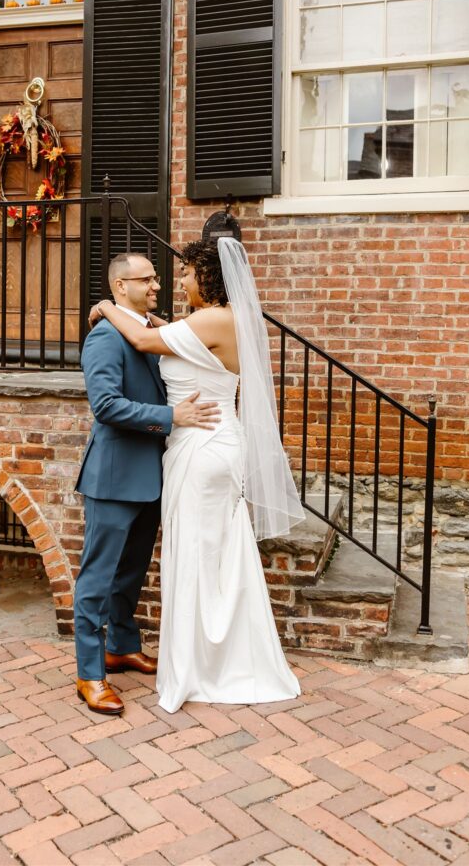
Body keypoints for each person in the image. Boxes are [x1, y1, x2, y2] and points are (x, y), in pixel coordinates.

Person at [89, 238, 302, 712]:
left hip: (203, 448)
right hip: (213, 444)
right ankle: (213, 656)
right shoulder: (219, 319)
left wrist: (106, 306)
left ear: (207, 277)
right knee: (213, 553)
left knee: (196, 554)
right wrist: (139, 317)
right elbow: (167, 332)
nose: (177, 281)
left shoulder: (213, 319)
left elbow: (145, 340)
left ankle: (202, 667)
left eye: (185, 273)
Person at [74, 251, 220, 715]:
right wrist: (172, 416)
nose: (157, 285)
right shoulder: (104, 337)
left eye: (157, 278)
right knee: (98, 577)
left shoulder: (150, 331)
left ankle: (121, 647)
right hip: (114, 478)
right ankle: (90, 674)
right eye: (147, 279)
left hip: (152, 477)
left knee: (131, 573)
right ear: (121, 286)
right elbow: (106, 406)